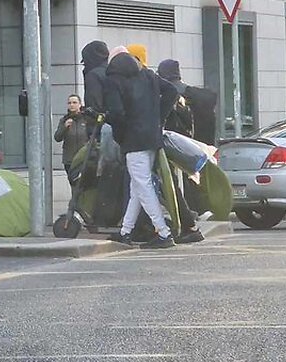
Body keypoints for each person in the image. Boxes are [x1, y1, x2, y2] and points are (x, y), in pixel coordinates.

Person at [103, 52, 179, 249]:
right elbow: (171, 91)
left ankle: (163, 232)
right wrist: (158, 118)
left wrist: (121, 136)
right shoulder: (147, 75)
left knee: (142, 186)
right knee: (137, 187)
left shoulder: (114, 81)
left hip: (133, 140)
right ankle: (125, 231)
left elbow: (117, 113)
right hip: (151, 137)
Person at [156, 60, 205, 245]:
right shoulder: (185, 93)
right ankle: (187, 223)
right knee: (173, 185)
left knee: (168, 186)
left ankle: (186, 224)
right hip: (181, 143)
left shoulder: (167, 91)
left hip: (167, 143)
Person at [55, 94, 89, 176]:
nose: (72, 105)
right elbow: (57, 137)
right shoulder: (64, 120)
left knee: (84, 184)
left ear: (80, 104)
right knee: (73, 183)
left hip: (84, 159)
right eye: (69, 103)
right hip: (70, 159)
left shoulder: (86, 119)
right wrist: (64, 127)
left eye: (74, 102)